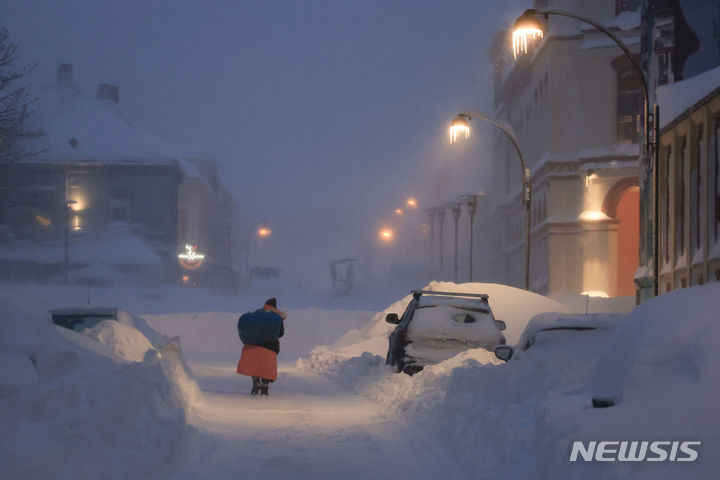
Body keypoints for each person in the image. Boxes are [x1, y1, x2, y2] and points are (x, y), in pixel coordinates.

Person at [236, 298, 286, 396]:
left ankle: (256, 383)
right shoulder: (276, 317)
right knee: (266, 367)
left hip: (252, 346)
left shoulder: (256, 314)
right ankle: (264, 386)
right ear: (275, 307)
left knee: (255, 365)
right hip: (270, 347)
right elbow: (280, 334)